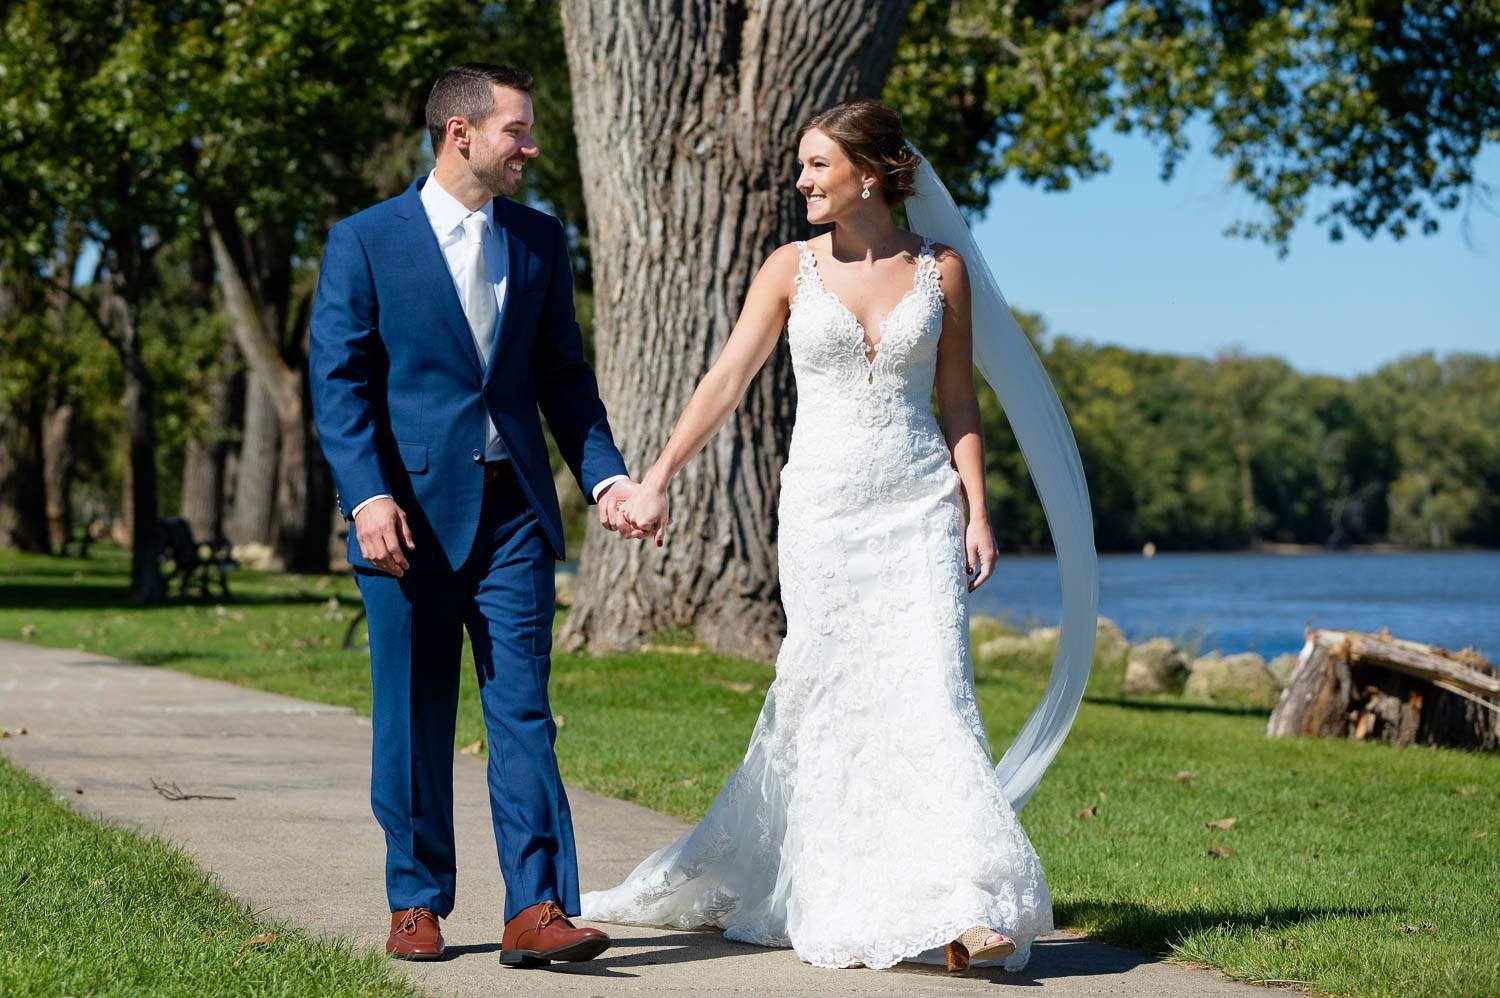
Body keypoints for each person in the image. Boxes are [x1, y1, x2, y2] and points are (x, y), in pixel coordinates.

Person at [580, 99, 1058, 972]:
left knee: (935, 690)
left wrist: (977, 509)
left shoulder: (940, 270)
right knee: (833, 693)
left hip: (919, 505)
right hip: (825, 512)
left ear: (868, 174)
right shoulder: (789, 268)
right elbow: (728, 377)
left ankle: (961, 902)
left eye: (816, 166)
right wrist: (656, 477)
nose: (800, 181)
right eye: (801, 167)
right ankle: (844, 889)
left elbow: (958, 401)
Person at [309, 62, 644, 969]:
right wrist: (368, 496)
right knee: (413, 715)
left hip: (514, 519)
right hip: (405, 521)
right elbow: (338, 386)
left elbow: (564, 377)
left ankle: (537, 907)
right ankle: (415, 901)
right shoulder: (365, 240)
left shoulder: (539, 239)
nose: (531, 148)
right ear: (462, 134)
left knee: (523, 711)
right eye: (517, 132)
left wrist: (606, 478)